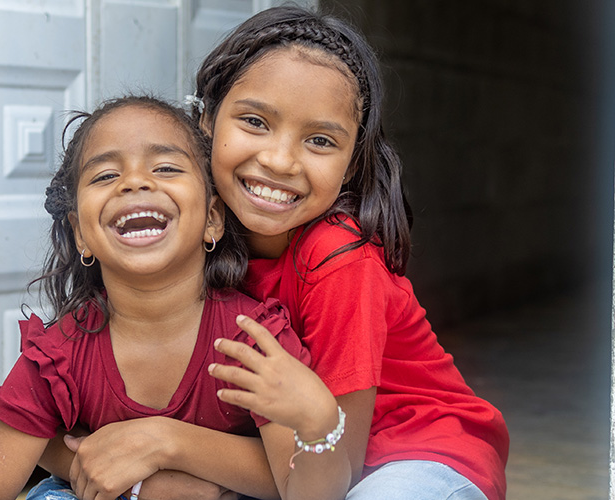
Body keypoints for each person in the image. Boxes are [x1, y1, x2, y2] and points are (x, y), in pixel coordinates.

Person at [39, 5, 509, 500]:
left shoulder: (338, 259)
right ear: (206, 121)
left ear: (350, 166)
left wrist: (165, 443)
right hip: (288, 466)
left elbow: (337, 462)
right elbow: (45, 428)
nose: (280, 160)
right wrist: (146, 476)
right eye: (255, 121)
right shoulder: (188, 235)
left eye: (321, 140)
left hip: (413, 459)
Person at [0, 95, 340, 500]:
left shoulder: (254, 342)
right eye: (105, 175)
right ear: (80, 234)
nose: (135, 182)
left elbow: (303, 491)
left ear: (212, 219)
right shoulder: (57, 357)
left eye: (166, 168)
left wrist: (320, 425)